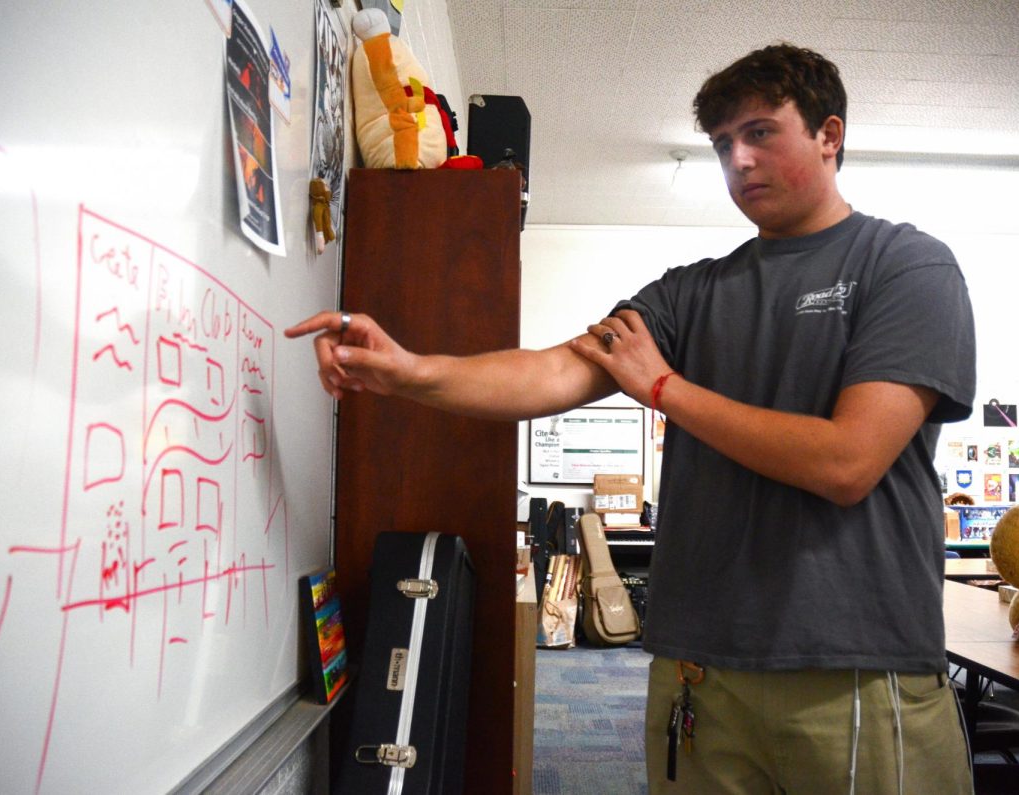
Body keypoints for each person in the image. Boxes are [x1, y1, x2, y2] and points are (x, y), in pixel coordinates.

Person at [287, 43, 976, 795]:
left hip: (854, 670)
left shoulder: (905, 265)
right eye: (721, 144)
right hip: (700, 674)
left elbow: (847, 462)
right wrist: (410, 370)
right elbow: (555, 369)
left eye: (760, 132)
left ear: (829, 135)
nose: (738, 160)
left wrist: (666, 390)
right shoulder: (690, 293)